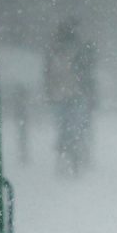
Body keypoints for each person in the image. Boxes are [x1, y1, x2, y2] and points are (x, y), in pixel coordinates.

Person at [43, 17, 97, 175]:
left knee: (66, 128)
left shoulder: (56, 51)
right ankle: (72, 155)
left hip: (63, 95)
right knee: (73, 127)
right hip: (71, 94)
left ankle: (68, 155)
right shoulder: (78, 50)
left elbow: (48, 74)